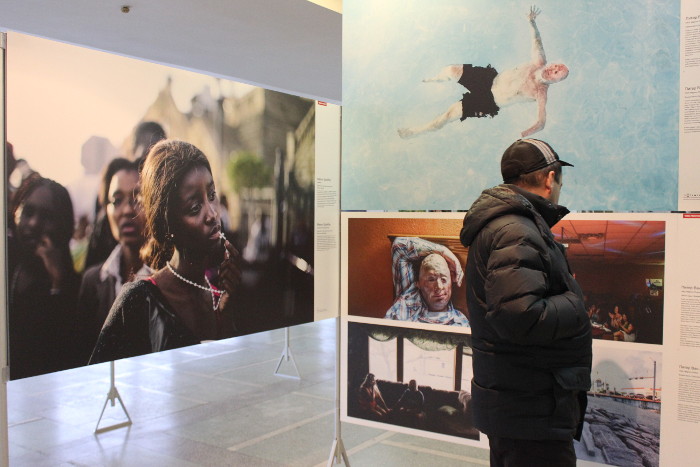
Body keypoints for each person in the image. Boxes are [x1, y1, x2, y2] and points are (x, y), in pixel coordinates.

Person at [459, 138, 592, 466]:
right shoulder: (515, 230)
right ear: (550, 178)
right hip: (530, 411)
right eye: (559, 181)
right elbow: (520, 316)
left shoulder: (511, 225)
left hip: (522, 405)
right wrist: (575, 303)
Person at [89, 140, 240, 364]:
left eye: (211, 195)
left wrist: (226, 321)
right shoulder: (139, 300)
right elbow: (100, 379)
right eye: (194, 208)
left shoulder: (220, 297)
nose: (212, 214)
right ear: (168, 225)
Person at [398, 6, 568, 139]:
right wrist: (532, 22)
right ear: (552, 63)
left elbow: (541, 123)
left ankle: (415, 132)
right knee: (451, 70)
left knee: (448, 115)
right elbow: (536, 40)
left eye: (556, 74)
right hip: (488, 79)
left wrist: (522, 135)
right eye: (556, 67)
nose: (552, 70)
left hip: (488, 101)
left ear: (554, 81)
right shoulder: (538, 61)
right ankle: (435, 79)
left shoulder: (540, 93)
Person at [76, 158, 152, 364]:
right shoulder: (93, 281)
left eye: (138, 198)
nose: (127, 210)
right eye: (117, 200)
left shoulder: (167, 279)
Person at [8, 174, 80, 379]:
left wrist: (57, 283)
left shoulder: (73, 285)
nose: (33, 223)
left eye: (47, 216)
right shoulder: (8, 265)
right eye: (28, 212)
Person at [384, 237, 469, 326]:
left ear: (451, 280)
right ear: (418, 283)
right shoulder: (408, 298)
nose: (439, 287)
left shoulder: (460, 322)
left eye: (444, 279)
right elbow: (398, 246)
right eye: (431, 279)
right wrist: (444, 251)